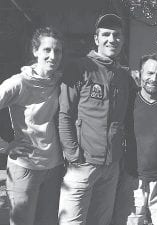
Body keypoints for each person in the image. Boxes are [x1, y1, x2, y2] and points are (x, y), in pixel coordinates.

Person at [58, 13, 130, 225]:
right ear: (96, 39)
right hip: (83, 163)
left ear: (123, 40)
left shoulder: (123, 76)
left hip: (111, 166)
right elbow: (65, 114)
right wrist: (73, 154)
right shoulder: (80, 68)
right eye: (106, 34)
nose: (112, 39)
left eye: (117, 35)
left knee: (101, 221)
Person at [0, 26, 64, 225]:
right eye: (47, 50)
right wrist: (5, 146)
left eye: (57, 51)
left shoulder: (59, 82)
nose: (53, 55)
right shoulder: (18, 83)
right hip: (25, 168)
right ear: (35, 51)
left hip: (54, 167)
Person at [112, 53, 157, 225]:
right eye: (149, 73)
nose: (154, 78)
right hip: (132, 178)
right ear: (139, 74)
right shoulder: (128, 101)